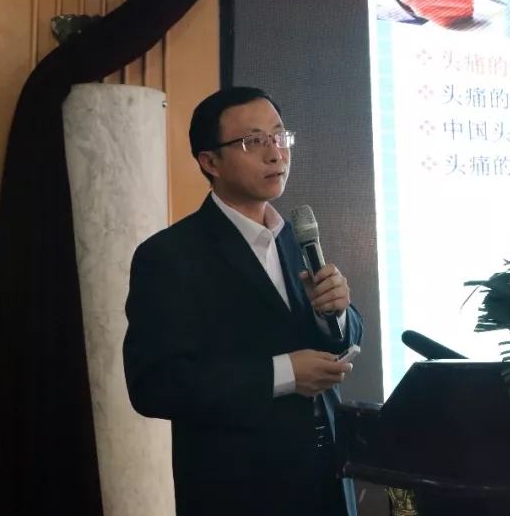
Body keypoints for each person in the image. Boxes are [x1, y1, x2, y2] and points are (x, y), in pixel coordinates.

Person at [123, 86, 364, 516]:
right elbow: (155, 385)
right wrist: (284, 374)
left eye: (279, 136)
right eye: (254, 141)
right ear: (209, 161)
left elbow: (335, 336)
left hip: (327, 478)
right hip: (239, 490)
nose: (275, 153)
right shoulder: (170, 255)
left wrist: (336, 314)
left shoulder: (295, 238)